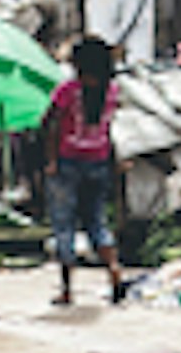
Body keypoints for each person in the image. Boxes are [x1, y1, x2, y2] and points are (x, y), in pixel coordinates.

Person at [41, 35, 126, 306]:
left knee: (64, 225)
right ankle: (114, 272)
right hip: (98, 160)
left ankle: (67, 290)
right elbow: (110, 128)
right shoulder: (112, 91)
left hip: (67, 161)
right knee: (97, 222)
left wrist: (50, 160)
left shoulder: (68, 90)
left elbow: (50, 125)